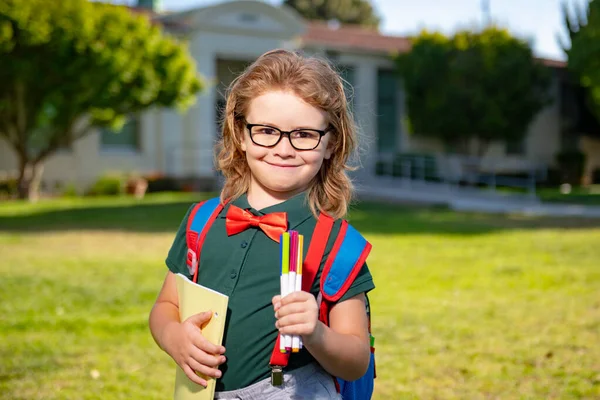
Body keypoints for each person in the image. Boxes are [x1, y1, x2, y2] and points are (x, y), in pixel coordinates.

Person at [149, 49, 375, 399]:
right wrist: (173, 337)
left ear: (330, 142)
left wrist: (315, 332)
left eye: (303, 134)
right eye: (266, 131)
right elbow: (165, 307)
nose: (283, 149)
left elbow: (356, 359)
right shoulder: (201, 221)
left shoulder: (338, 243)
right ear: (240, 134)